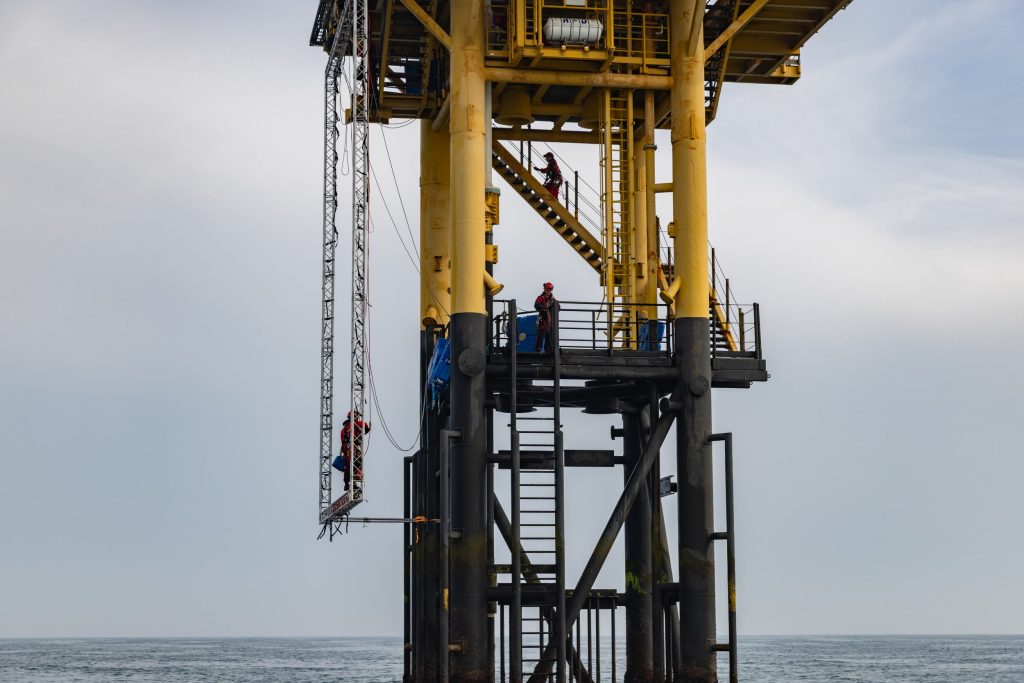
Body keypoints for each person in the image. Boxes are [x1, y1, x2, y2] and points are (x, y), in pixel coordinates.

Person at [339, 410, 372, 490]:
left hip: (345, 448)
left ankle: (347, 483)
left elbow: (342, 441)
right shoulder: (357, 423)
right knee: (358, 461)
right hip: (352, 447)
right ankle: (355, 478)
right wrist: (369, 428)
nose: (358, 418)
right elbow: (365, 427)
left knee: (347, 465)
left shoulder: (343, 429)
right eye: (357, 416)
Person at [534, 282, 558, 352]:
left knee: (549, 335)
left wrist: (554, 307)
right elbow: (536, 305)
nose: (548, 292)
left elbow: (558, 307)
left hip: (550, 320)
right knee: (541, 334)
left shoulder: (553, 299)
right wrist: (544, 308)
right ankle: (538, 350)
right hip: (543, 319)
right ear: (544, 289)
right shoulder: (540, 298)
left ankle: (548, 350)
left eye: (550, 290)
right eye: (547, 290)